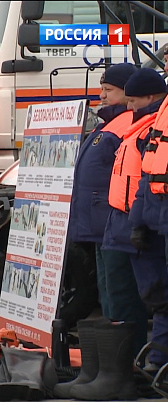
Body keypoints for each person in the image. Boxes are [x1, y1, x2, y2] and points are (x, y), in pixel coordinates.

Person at [101, 68, 166, 373]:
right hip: (133, 221)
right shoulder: (141, 128)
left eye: (133, 100)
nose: (129, 107)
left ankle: (150, 363)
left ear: (151, 97)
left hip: (145, 224)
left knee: (155, 298)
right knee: (144, 297)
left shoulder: (150, 129)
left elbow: (147, 181)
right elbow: (144, 182)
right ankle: (138, 363)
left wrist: (139, 223)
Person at [67, 63, 135, 320]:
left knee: (119, 293)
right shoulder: (108, 124)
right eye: (101, 88)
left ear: (128, 92)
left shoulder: (125, 125)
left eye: (108, 89)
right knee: (107, 291)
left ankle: (126, 352)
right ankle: (113, 350)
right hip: (100, 225)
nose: (102, 95)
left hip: (113, 222)